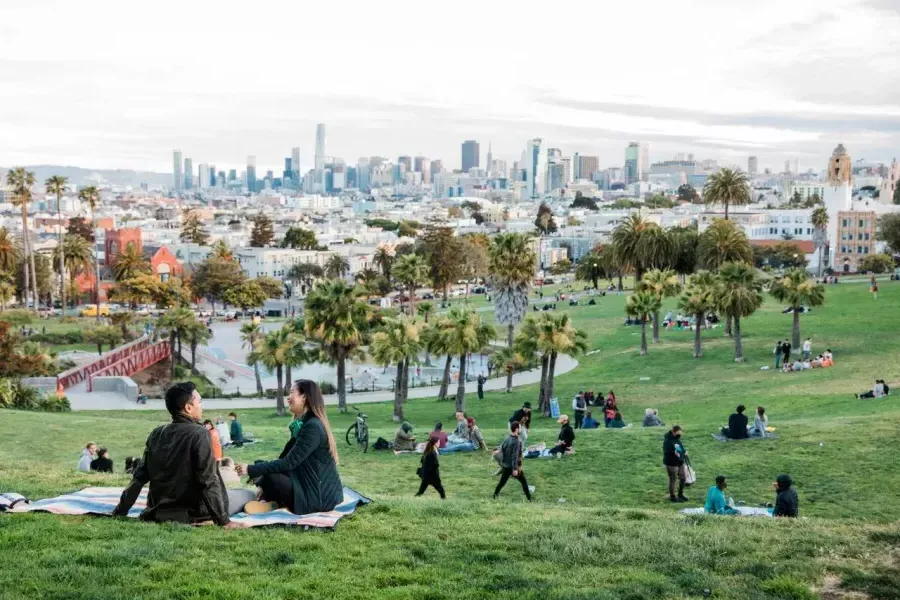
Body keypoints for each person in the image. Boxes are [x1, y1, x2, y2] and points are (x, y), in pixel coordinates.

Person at [113, 382, 243, 527]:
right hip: (194, 514)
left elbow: (139, 478)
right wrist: (224, 521)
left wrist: (119, 511)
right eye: (199, 402)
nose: (201, 406)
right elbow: (207, 480)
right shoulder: (200, 434)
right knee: (245, 495)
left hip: (158, 511)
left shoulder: (156, 433)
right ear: (188, 407)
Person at [235, 380, 343, 516]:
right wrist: (263, 478)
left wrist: (250, 469)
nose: (288, 397)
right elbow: (284, 459)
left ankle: (272, 501)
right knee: (263, 466)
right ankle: (270, 500)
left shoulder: (312, 427)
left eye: (292, 393)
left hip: (319, 499)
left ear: (304, 397)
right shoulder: (305, 424)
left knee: (270, 472)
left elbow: (289, 463)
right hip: (308, 486)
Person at [493, 422, 532, 501]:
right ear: (517, 429)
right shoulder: (516, 441)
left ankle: (495, 495)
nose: (521, 429)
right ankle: (529, 499)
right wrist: (515, 469)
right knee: (523, 481)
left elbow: (502, 447)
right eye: (520, 427)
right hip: (512, 466)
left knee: (502, 482)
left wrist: (497, 451)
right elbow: (515, 456)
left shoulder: (507, 437)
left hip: (506, 465)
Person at [663, 425, 688, 503]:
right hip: (671, 463)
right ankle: (673, 497)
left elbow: (681, 448)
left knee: (683, 478)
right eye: (679, 431)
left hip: (680, 461)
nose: (680, 433)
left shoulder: (677, 439)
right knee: (673, 479)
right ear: (675, 431)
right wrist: (675, 453)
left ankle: (680, 494)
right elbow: (666, 452)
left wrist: (684, 452)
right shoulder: (667, 440)